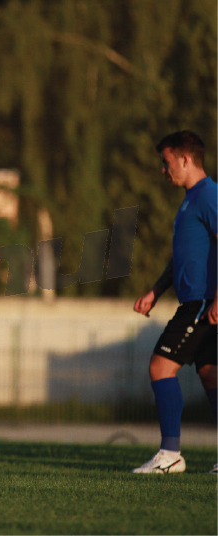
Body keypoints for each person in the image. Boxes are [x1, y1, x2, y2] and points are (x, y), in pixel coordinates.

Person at [132, 131, 217, 475]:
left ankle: (171, 453)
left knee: (160, 367)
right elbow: (183, 257)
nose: (162, 170)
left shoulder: (209, 194)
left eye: (165, 163)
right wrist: (156, 290)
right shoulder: (189, 200)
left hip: (201, 304)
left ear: (185, 159)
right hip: (198, 302)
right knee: (212, 376)